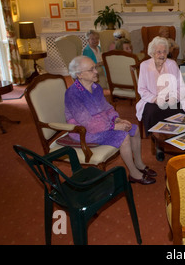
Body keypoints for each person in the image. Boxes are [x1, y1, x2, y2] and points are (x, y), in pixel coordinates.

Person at [65, 56, 156, 185]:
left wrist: (117, 119)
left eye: (95, 68)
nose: (96, 71)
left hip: (103, 124)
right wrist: (113, 126)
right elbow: (88, 123)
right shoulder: (73, 94)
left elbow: (107, 108)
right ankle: (134, 174)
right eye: (91, 70)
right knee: (123, 136)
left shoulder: (96, 88)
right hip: (84, 131)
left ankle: (139, 164)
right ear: (79, 74)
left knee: (134, 130)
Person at [136, 36, 185, 134]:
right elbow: (142, 89)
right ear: (152, 53)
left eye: (165, 51)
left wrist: (175, 97)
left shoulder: (172, 64)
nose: (162, 55)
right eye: (159, 52)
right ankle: (157, 141)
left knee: (177, 109)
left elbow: (181, 86)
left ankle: (177, 138)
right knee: (153, 112)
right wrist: (155, 99)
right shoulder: (144, 65)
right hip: (152, 101)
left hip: (171, 99)